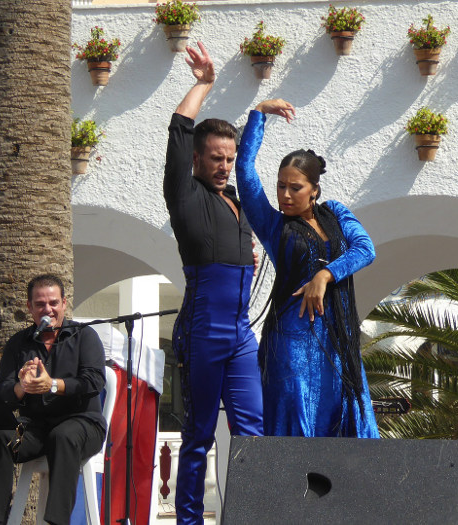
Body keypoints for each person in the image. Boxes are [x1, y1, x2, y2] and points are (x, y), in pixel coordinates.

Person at [235, 99, 379, 438]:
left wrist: (325, 275)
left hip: (337, 338)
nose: (285, 195)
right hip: (292, 339)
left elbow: (366, 249)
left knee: (343, 415)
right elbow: (245, 174)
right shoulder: (275, 227)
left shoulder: (337, 214)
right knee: (297, 421)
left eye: (295, 187)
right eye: (280, 186)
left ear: (314, 190)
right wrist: (258, 115)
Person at [163, 43, 263, 524]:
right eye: (216, 158)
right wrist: (203, 84)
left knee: (251, 430)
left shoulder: (238, 204)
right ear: (198, 161)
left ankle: (251, 514)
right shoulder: (185, 194)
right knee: (200, 435)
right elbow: (179, 130)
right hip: (204, 330)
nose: (224, 166)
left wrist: (250, 254)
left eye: (230, 158)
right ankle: (188, 520)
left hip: (241, 332)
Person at [0, 274, 107, 525]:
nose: (47, 309)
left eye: (53, 302)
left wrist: (52, 384)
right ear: (29, 308)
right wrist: (22, 387)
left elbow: (94, 381)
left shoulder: (84, 336)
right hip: (36, 428)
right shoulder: (18, 343)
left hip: (83, 424)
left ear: (63, 303)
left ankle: (55, 522)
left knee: (63, 435)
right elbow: (2, 393)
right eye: (40, 304)